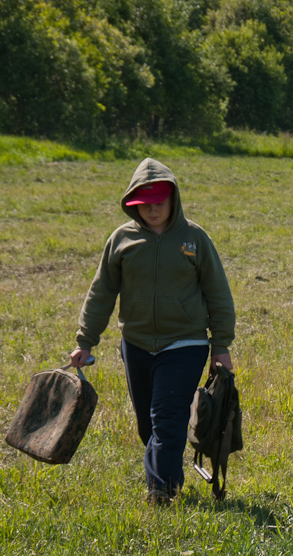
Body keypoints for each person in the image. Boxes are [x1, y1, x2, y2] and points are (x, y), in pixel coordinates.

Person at [71, 158, 235, 505]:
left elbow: (218, 293)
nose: (152, 209)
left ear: (174, 197)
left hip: (186, 343)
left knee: (166, 419)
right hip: (137, 345)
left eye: (159, 201)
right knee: (148, 425)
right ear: (133, 203)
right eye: (144, 203)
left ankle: (162, 493)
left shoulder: (194, 238)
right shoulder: (121, 240)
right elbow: (101, 294)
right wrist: (85, 341)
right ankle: (167, 477)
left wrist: (220, 346)